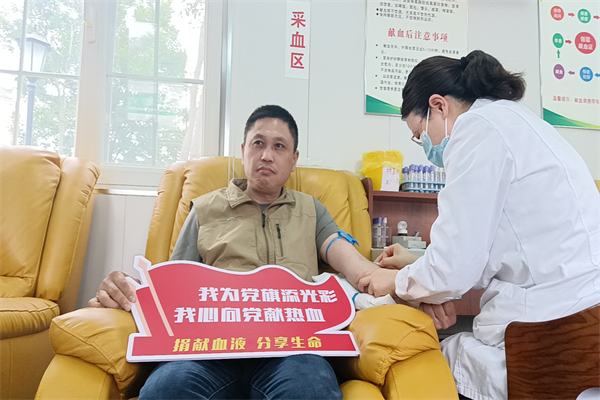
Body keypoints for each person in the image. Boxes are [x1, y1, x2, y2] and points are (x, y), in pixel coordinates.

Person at [90, 105, 453, 400]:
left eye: (279, 146)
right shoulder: (205, 210)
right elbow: (171, 289)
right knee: (167, 390)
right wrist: (123, 292)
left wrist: (417, 288)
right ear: (243, 151)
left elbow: (358, 269)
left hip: (292, 350)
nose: (266, 154)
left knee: (309, 390)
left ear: (294, 159)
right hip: (208, 349)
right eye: (258, 143)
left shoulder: (312, 211)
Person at [357, 50, 600, 400]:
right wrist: (421, 270)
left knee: (440, 357)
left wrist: (395, 282)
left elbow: (455, 268)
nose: (426, 146)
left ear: (438, 106)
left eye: (419, 134)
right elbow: (499, 248)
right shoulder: (514, 120)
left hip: (555, 324)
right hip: (581, 308)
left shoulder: (475, 130)